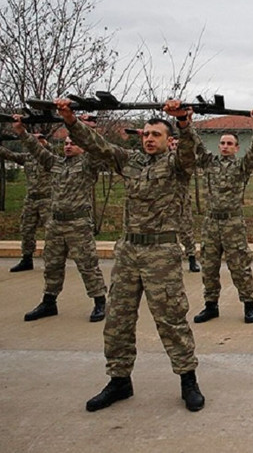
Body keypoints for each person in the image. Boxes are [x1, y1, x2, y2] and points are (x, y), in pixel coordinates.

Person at [56, 98, 205, 413]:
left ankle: (188, 380)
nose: (149, 139)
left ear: (168, 139)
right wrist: (70, 120)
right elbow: (95, 144)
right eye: (146, 134)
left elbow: (190, 150)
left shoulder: (177, 164)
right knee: (118, 319)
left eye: (156, 135)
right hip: (128, 252)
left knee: (171, 319)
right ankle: (119, 379)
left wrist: (183, 122)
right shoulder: (129, 161)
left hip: (161, 252)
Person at [11, 116, 108, 323]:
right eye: (66, 143)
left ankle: (100, 301)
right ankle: (49, 302)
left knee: (87, 264)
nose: (68, 146)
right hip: (56, 224)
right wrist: (21, 131)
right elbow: (37, 150)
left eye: (73, 143)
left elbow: (98, 147)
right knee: (52, 264)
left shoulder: (88, 163)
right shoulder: (55, 163)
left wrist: (85, 128)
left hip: (78, 224)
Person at [191, 119, 253, 325]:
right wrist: (185, 123)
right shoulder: (209, 163)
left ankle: (249, 305)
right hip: (211, 223)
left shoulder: (241, 167)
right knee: (209, 266)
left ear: (236, 148)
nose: (225, 146)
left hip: (233, 224)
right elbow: (196, 144)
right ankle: (211, 305)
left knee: (240, 266)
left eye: (229, 144)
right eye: (222, 143)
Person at [0, 133, 52, 272]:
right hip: (31, 200)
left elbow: (50, 149)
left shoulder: (48, 157)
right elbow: (10, 155)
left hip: (47, 199)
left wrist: (42, 142)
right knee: (26, 229)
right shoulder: (27, 157)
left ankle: (52, 260)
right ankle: (27, 259)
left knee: (52, 231)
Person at [168, 136, 200, 273]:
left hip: (182, 201)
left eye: (177, 144)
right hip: (166, 202)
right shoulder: (164, 160)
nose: (175, 147)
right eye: (173, 144)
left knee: (186, 230)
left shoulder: (185, 161)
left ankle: (192, 258)